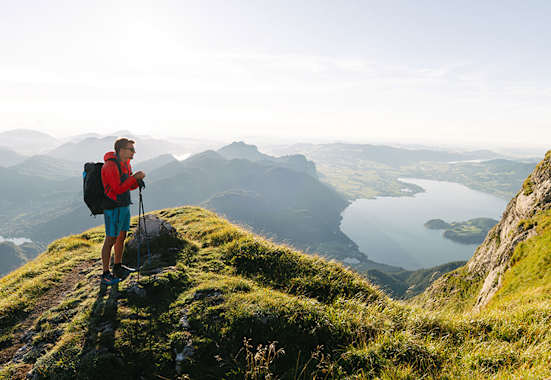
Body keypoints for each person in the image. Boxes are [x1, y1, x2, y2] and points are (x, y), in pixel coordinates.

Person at [100, 137, 146, 285]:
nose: (134, 152)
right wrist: (134, 177)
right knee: (110, 239)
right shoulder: (110, 166)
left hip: (124, 205)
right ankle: (105, 273)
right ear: (121, 150)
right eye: (131, 149)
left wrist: (136, 181)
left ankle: (118, 266)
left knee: (121, 236)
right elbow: (117, 189)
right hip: (112, 207)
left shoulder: (126, 164)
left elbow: (127, 186)